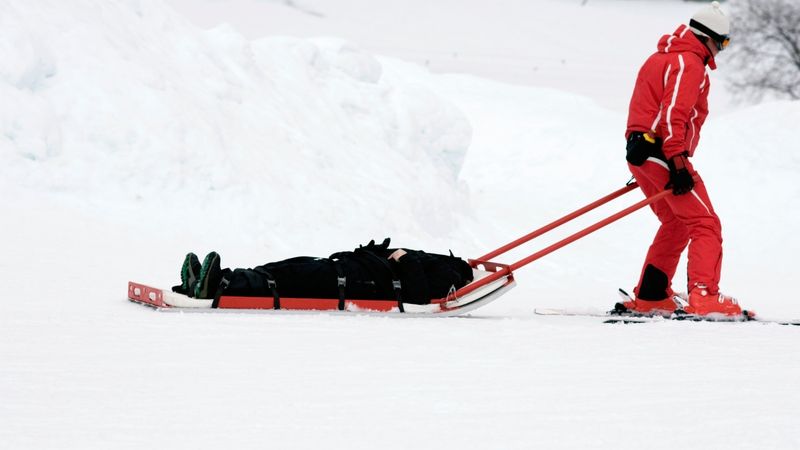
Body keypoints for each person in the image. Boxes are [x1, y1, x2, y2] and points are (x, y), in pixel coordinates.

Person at [620, 1, 745, 317]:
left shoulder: (661, 58)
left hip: (641, 151)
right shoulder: (689, 63)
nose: (721, 51)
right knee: (706, 223)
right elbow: (673, 113)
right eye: (723, 43)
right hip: (663, 152)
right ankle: (705, 296)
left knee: (677, 222)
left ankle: (651, 295)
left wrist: (650, 160)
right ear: (708, 38)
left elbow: (649, 110)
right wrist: (677, 162)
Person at [173, 238, 474, 305]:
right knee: (282, 268)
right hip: (350, 268)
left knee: (287, 280)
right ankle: (214, 279)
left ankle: (216, 285)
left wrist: (404, 259)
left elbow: (419, 295)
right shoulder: (441, 264)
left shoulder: (451, 275)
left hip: (360, 282)